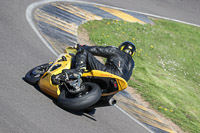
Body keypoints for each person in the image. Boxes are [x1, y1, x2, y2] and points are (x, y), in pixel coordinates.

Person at [62, 41, 136, 83]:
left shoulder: (116, 51)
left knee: (83, 51)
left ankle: (77, 71)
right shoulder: (132, 64)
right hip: (119, 83)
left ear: (122, 47)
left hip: (109, 74)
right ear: (132, 53)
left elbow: (97, 50)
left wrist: (81, 47)